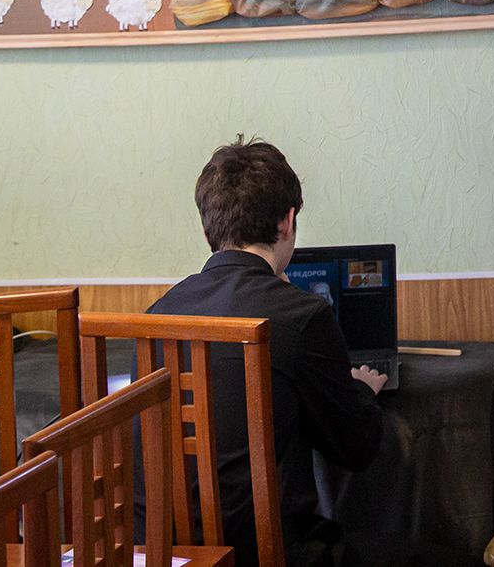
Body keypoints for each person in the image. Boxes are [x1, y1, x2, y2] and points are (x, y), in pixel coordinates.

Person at [147, 139, 386, 567]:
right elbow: (356, 448)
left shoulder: (157, 314)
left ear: (207, 229)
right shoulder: (301, 316)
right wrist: (362, 390)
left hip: (170, 554)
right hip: (270, 554)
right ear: (288, 222)